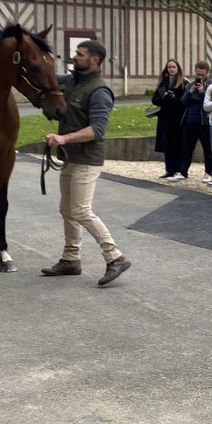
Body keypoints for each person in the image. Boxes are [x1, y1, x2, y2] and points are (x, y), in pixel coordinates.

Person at [41, 40, 131, 286]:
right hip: (70, 157)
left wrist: (62, 138)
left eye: (79, 54)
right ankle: (71, 259)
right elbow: (45, 77)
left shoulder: (100, 91)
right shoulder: (71, 81)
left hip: (87, 160)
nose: (74, 57)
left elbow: (97, 130)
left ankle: (115, 257)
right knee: (67, 210)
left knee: (80, 210)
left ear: (95, 60)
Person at [176, 60, 212, 182]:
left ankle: (208, 172)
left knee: (207, 149)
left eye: (202, 75)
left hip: (204, 122)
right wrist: (189, 92)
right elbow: (182, 102)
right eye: (198, 74)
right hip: (189, 121)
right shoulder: (190, 85)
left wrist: (203, 92)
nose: (200, 77)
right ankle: (183, 172)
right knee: (186, 148)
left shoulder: (211, 86)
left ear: (207, 73)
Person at [151, 59, 185, 179]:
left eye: (173, 67)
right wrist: (163, 97)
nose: (171, 69)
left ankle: (178, 169)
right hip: (165, 118)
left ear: (178, 68)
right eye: (169, 67)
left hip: (177, 118)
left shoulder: (183, 83)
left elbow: (183, 101)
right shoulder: (163, 82)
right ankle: (169, 170)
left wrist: (172, 98)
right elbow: (155, 99)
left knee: (177, 144)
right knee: (167, 144)